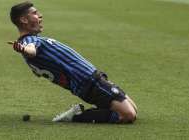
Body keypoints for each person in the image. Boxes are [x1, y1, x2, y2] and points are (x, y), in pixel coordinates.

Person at [9, 1, 137, 123]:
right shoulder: (29, 41)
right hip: (88, 81)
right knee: (128, 115)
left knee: (133, 109)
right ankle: (76, 116)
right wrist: (24, 49)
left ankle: (92, 113)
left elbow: (38, 66)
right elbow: (31, 50)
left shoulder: (33, 42)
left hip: (89, 81)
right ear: (24, 20)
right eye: (35, 13)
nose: (40, 15)